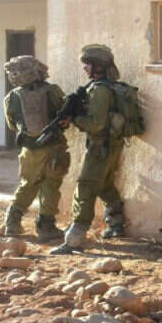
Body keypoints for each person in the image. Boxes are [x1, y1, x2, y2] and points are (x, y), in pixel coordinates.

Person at [51, 44, 127, 254]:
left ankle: (74, 239)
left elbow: (96, 124)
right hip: (109, 146)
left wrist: (75, 119)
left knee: (85, 187)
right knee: (104, 185)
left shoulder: (100, 90)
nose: (85, 68)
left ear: (98, 66)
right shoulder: (100, 86)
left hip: (100, 147)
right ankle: (116, 224)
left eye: (88, 64)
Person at [0, 55, 70, 242]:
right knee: (51, 185)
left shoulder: (11, 97)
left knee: (28, 184)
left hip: (29, 150)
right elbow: (64, 114)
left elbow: (12, 125)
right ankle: (46, 227)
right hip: (54, 147)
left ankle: (12, 223)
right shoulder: (52, 91)